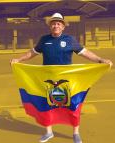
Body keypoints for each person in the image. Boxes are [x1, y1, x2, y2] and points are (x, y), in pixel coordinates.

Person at [11, 13, 113, 143]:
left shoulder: (70, 40)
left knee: (72, 104)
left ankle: (76, 133)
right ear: (50, 26)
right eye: (53, 23)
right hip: (48, 80)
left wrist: (100, 60)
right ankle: (49, 132)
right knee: (47, 104)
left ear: (63, 26)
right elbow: (32, 53)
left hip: (67, 80)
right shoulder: (44, 40)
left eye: (59, 23)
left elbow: (85, 52)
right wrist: (18, 59)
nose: (56, 25)